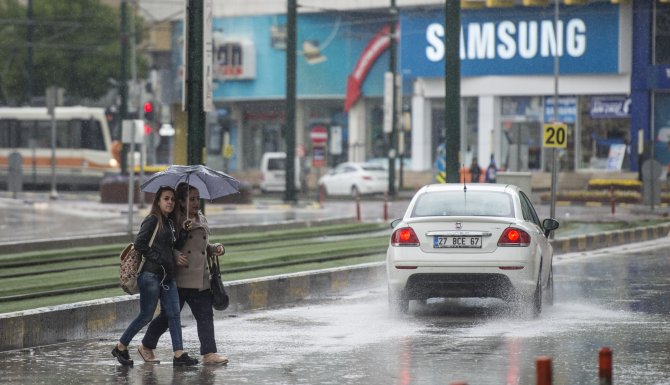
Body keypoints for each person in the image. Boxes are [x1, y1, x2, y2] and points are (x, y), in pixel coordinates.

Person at [139, 183, 229, 365]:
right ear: (181, 201)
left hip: (200, 278)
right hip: (179, 279)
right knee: (167, 317)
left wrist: (214, 248)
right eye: (192, 199)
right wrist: (174, 254)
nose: (196, 203)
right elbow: (164, 245)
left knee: (205, 316)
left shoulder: (201, 217)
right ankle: (146, 346)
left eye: (198, 199)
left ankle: (209, 353)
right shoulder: (174, 221)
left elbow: (201, 247)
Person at [112, 186, 198, 367]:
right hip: (151, 276)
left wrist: (184, 231)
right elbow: (140, 243)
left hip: (167, 277)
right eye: (166, 198)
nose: (170, 202)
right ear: (158, 201)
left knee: (174, 314)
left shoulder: (169, 223)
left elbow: (173, 246)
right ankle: (120, 346)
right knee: (145, 316)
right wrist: (158, 258)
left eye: (173, 200)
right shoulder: (152, 220)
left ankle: (179, 354)